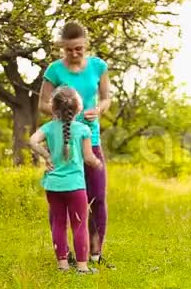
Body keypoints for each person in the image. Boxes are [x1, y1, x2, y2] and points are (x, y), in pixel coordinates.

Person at [38, 21, 114, 269]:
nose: (74, 53)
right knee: (60, 196)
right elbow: (42, 105)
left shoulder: (98, 66)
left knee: (97, 198)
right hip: (63, 142)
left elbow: (106, 98)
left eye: (78, 48)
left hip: (90, 140)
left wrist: (97, 110)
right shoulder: (54, 70)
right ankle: (64, 255)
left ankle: (95, 253)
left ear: (85, 45)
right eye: (69, 49)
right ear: (62, 47)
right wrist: (66, 110)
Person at [29, 87, 102, 274]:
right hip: (75, 186)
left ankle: (62, 265)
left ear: (53, 108)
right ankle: (82, 267)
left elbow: (32, 141)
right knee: (79, 224)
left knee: (58, 223)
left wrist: (46, 156)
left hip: (53, 186)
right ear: (78, 109)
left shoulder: (48, 128)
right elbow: (88, 158)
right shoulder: (84, 129)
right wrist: (97, 162)